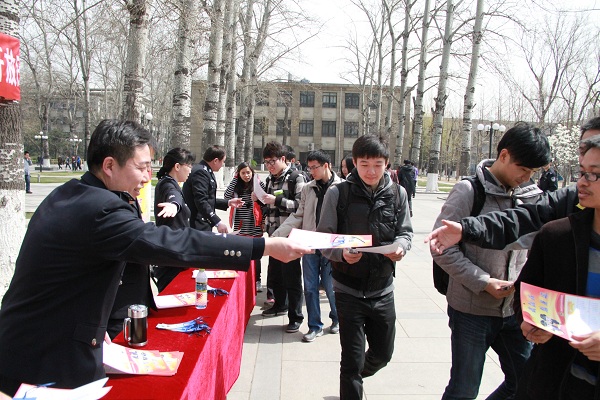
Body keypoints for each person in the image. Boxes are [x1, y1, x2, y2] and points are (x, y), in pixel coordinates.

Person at [0, 119, 311, 396]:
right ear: (109, 165)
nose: (148, 177)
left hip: (32, 341)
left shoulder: (71, 193)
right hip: (45, 359)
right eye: (141, 167)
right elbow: (169, 242)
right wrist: (262, 246)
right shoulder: (100, 209)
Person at [432, 122, 552, 400]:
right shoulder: (469, 191)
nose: (526, 177)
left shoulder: (533, 197)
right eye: (523, 169)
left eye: (532, 172)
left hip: (515, 311)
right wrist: (483, 281)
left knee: (525, 382)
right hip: (471, 310)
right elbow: (441, 247)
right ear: (504, 155)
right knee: (464, 389)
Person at [317, 134, 413, 400]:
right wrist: (341, 253)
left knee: (383, 354)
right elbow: (324, 238)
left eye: (378, 164)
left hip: (383, 290)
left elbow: (405, 232)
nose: (371, 171)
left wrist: (401, 247)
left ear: (387, 163)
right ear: (354, 163)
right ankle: (351, 384)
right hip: (348, 290)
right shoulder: (338, 193)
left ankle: (355, 378)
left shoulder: (398, 193)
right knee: (351, 360)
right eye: (364, 164)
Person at [425, 116, 600, 256]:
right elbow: (517, 221)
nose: (581, 182)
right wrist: (467, 230)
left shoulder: (532, 193)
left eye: (593, 173)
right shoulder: (567, 200)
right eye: (583, 150)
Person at [513, 135, 600, 399]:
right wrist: (530, 322)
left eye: (594, 175)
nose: (582, 182)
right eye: (582, 172)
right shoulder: (556, 236)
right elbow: (525, 294)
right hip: (557, 382)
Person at [272, 150, 342, 342]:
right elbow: (298, 215)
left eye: (314, 167)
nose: (311, 171)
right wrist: (277, 235)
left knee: (331, 287)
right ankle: (314, 326)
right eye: (309, 167)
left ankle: (337, 319)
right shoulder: (308, 188)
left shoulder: (342, 187)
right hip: (310, 244)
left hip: (331, 246)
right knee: (310, 287)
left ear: (326, 165)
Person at [260, 141, 306, 334]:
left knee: (292, 277)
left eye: (273, 161)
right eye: (267, 162)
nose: (270, 165)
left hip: (289, 236)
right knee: (276, 274)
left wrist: (277, 200)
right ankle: (280, 305)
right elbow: (269, 206)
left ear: (283, 159)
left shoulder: (296, 177)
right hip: (273, 234)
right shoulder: (270, 179)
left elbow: (300, 206)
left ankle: (296, 317)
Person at [152, 147, 196, 292]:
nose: (190, 170)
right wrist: (174, 205)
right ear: (177, 166)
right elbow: (173, 196)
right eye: (189, 166)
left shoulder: (173, 184)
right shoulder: (167, 184)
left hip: (176, 251)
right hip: (171, 254)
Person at [224, 162, 266, 291]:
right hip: (240, 224)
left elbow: (265, 203)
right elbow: (226, 196)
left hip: (255, 223)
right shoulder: (237, 185)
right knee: (241, 252)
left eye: (248, 172)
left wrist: (263, 220)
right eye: (243, 173)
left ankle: (257, 280)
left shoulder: (258, 184)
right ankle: (242, 279)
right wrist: (235, 179)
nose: (246, 175)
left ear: (252, 172)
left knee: (256, 253)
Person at [182, 145, 243, 233]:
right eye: (223, 161)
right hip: (197, 224)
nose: (223, 165)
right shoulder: (201, 172)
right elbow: (201, 201)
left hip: (202, 223)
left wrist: (228, 202)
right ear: (215, 161)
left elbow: (207, 199)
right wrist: (217, 222)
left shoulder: (205, 170)